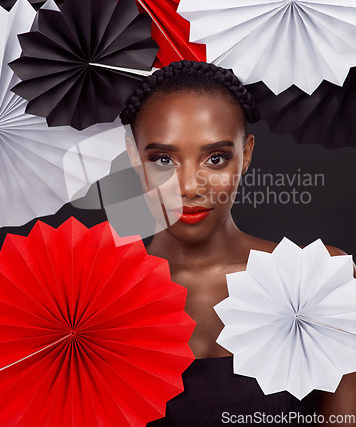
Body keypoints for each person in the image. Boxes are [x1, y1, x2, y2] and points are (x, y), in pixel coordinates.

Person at [120, 60, 356, 426]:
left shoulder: (319, 278)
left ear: (245, 155)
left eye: (215, 158)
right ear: (134, 157)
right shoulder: (85, 295)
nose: (190, 187)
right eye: (163, 159)